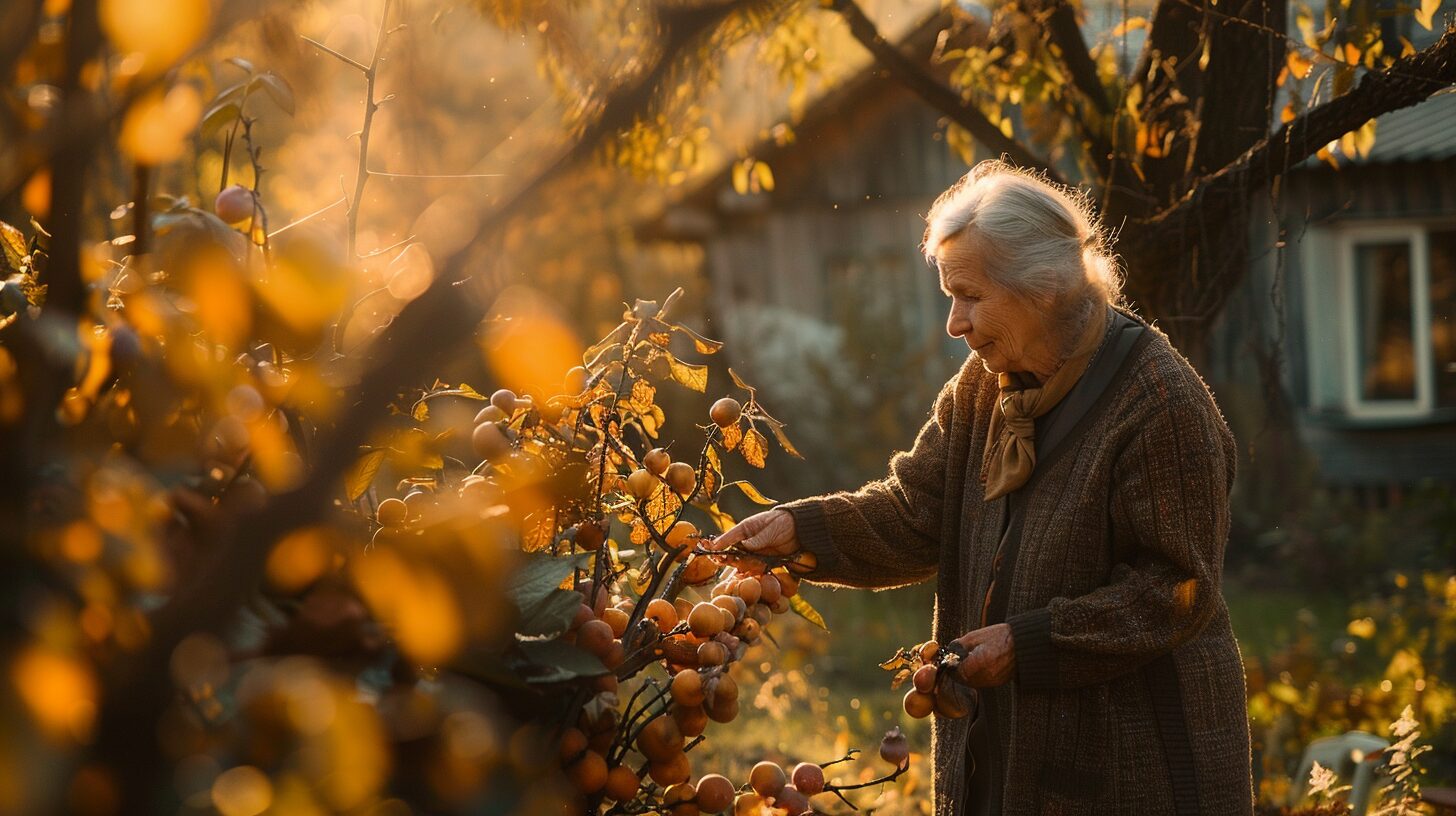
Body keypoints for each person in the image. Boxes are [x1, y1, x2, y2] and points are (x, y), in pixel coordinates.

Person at [709, 160, 1254, 815]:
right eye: (949, 296)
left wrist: (1026, 643)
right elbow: (917, 511)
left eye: (969, 295)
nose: (954, 324)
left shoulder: (1159, 403)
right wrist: (803, 528)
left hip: (1135, 765)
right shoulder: (983, 389)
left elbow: (1172, 591)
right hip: (1006, 751)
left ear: (1042, 287)